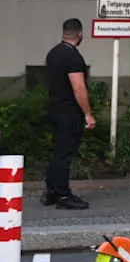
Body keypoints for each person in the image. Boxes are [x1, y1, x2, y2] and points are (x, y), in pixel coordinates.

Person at [44, 18, 94, 210]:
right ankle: (63, 195)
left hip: (54, 108)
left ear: (63, 33)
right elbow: (79, 88)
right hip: (69, 112)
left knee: (57, 152)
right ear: (80, 35)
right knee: (65, 154)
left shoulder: (53, 53)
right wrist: (88, 114)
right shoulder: (73, 57)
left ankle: (51, 191)